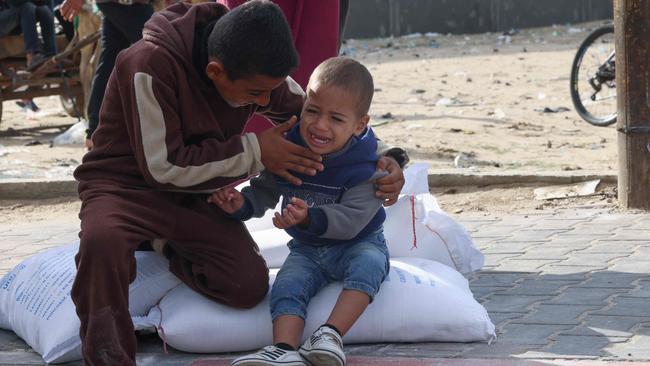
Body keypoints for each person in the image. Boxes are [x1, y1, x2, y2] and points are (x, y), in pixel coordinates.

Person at [70, 2, 405, 365]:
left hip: (194, 193)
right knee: (102, 241)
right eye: (255, 95)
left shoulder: (255, 67)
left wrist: (385, 156)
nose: (263, 103)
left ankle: (161, 242)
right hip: (123, 188)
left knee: (245, 285)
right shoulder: (149, 64)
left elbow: (318, 117)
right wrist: (257, 150)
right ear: (216, 71)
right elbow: (162, 167)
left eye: (268, 94)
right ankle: (108, 357)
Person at [215, 57, 388, 366]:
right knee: (286, 284)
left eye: (336, 118)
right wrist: (242, 204)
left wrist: (308, 217)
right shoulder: (293, 147)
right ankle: (283, 349)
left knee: (371, 265)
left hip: (358, 243)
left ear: (360, 124)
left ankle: (329, 334)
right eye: (312, 111)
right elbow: (267, 186)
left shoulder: (366, 164)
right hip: (307, 249)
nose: (320, 125)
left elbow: (352, 220)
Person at [59, 0, 155, 150]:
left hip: (124, 4)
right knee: (159, 50)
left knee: (109, 63)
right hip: (124, 4)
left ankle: (94, 133)